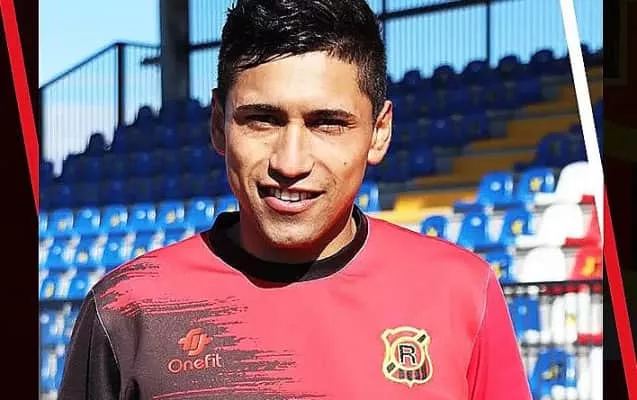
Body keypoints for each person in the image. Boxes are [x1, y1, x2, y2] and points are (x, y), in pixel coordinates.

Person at [58, 0, 532, 398]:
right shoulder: (128, 308)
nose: (290, 161)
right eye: (262, 120)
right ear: (218, 125)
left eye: (328, 123)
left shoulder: (462, 291)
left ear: (379, 132)